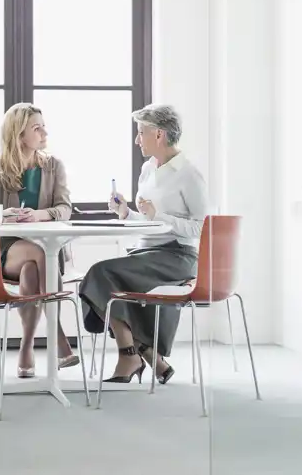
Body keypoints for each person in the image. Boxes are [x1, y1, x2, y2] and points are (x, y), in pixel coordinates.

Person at [80, 104, 208, 384]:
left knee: (100, 273)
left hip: (178, 256)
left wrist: (158, 215)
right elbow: (149, 220)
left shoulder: (188, 174)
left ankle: (131, 355)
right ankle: (147, 355)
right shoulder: (147, 169)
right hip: (146, 253)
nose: (137, 140)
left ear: (159, 134)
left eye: (141, 133)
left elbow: (201, 228)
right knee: (104, 281)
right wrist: (126, 212)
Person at [0, 102, 78, 378]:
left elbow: (65, 208)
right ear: (19, 134)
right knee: (38, 255)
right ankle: (58, 336)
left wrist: (39, 215)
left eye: (44, 126)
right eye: (37, 128)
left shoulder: (53, 166)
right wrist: (7, 215)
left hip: (47, 249)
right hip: (9, 251)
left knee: (33, 269)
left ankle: (26, 345)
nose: (45, 133)